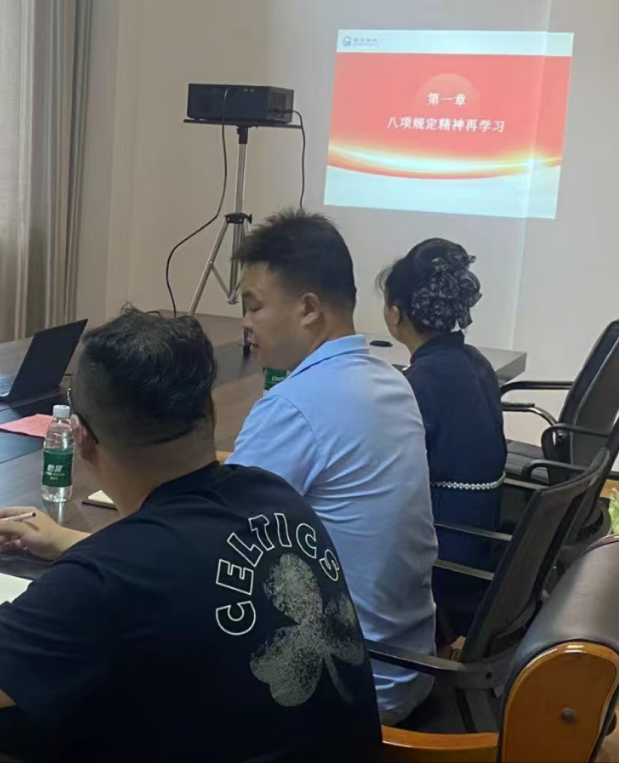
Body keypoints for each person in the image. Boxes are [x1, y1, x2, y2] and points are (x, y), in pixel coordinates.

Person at [0, 308, 380, 762]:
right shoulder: (272, 494)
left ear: (81, 439)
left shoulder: (113, 576)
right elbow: (195, 574)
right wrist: (69, 541)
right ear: (209, 411)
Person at [225, 210, 438, 725]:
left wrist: (70, 541)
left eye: (254, 306)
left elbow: (204, 545)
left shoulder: (294, 407)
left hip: (347, 686)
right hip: (409, 663)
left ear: (308, 309)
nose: (246, 323)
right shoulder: (392, 382)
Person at [380, 238, 506, 640]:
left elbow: (387, 481)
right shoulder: (474, 362)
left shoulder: (421, 383)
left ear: (395, 314)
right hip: (479, 542)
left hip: (443, 560)